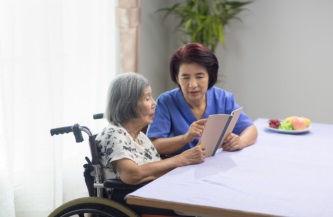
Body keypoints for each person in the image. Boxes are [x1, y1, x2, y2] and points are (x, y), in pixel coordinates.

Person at [147, 43, 258, 157]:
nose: (193, 84)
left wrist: (239, 142)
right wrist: (185, 138)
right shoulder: (166, 102)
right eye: (185, 77)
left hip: (214, 165)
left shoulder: (223, 98)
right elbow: (153, 146)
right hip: (179, 168)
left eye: (199, 76)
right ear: (177, 78)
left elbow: (250, 128)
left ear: (209, 76)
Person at [95, 72, 205, 184]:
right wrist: (182, 159)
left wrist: (189, 161)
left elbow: (158, 167)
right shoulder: (114, 133)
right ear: (129, 104)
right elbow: (131, 174)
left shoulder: (141, 137)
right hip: (129, 196)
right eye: (148, 98)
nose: (154, 103)